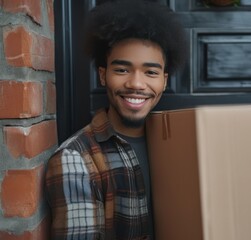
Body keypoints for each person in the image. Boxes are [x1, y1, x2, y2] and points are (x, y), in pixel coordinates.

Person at [45, 0, 187, 239]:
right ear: (103, 75)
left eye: (151, 72)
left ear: (164, 80)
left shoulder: (180, 145)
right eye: (122, 70)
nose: (136, 84)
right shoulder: (75, 159)